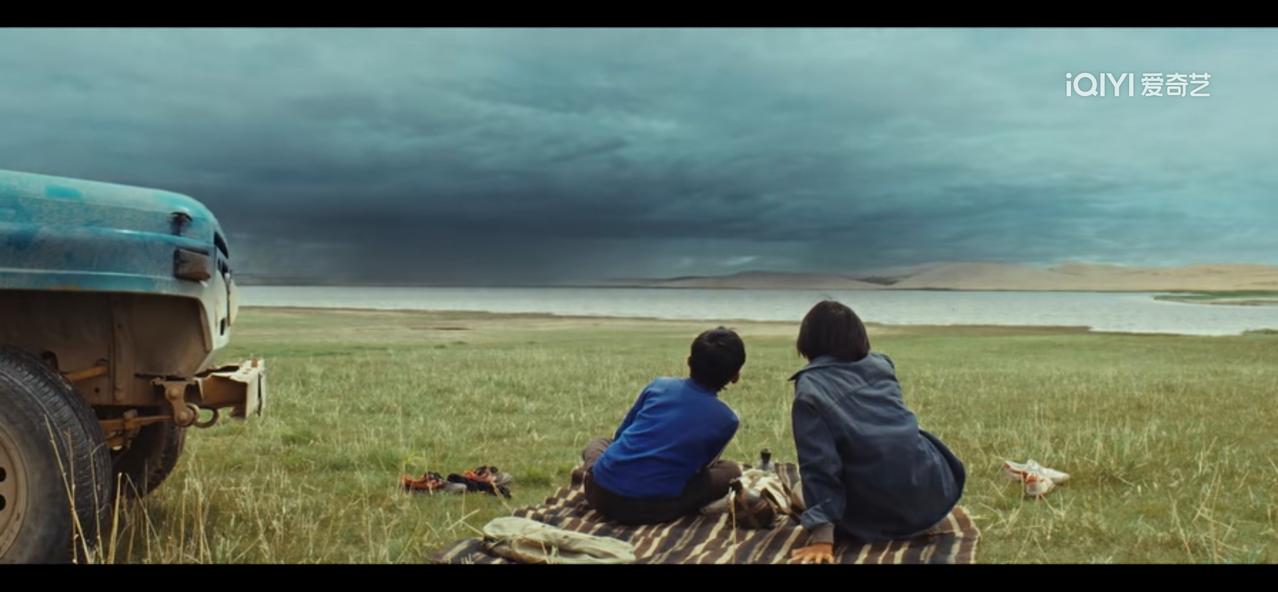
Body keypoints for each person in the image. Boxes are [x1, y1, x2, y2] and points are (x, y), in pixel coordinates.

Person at [787, 300, 966, 564]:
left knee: (798, 492)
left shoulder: (810, 389)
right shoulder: (882, 365)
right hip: (932, 496)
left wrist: (822, 538)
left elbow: (819, 466)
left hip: (880, 515)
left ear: (808, 340)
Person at [579, 327, 745, 524]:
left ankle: (599, 471)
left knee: (597, 443)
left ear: (689, 361)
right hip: (653, 509)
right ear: (735, 376)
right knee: (731, 471)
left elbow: (621, 435)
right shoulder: (727, 419)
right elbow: (701, 468)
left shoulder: (659, 385)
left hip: (598, 493)